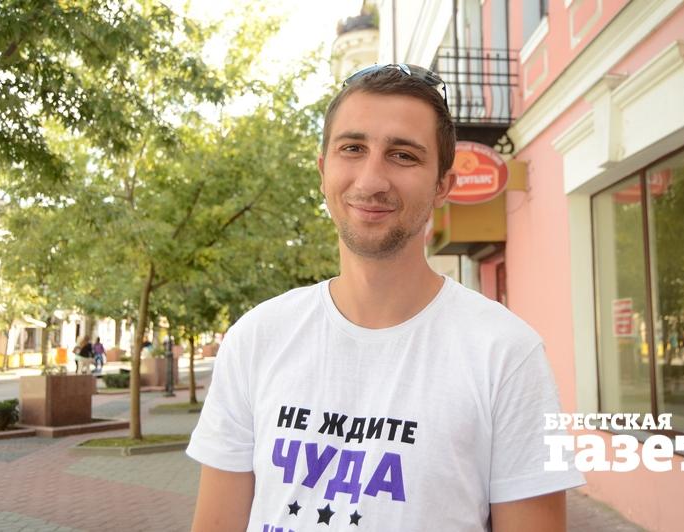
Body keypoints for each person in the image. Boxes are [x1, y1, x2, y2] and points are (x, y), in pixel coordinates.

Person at [187, 64, 584, 531]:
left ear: (442, 186)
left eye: (403, 155)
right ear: (323, 170)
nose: (371, 180)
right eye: (352, 149)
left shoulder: (507, 354)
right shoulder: (256, 338)